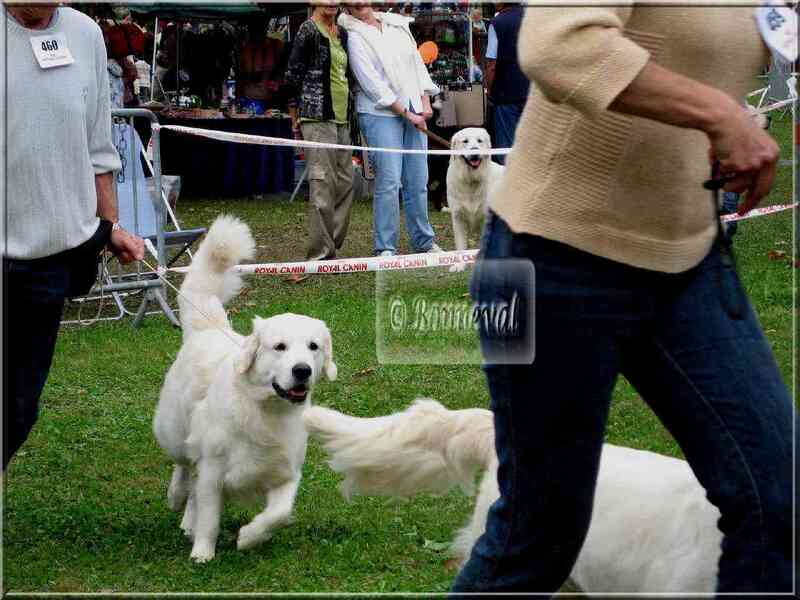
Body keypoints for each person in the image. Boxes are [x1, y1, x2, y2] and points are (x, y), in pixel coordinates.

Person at [453, 5, 793, 595]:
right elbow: (558, 44)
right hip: (548, 255)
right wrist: (715, 113)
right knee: (539, 534)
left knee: (779, 497)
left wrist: (731, 115)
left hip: (688, 257)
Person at [3, 4, 145, 469]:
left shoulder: (84, 32)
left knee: (18, 408)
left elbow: (98, 144)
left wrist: (112, 224)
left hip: (51, 255)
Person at [339, 3, 442, 257]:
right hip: (380, 112)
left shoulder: (398, 26)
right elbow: (371, 83)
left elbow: (416, 66)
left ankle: (424, 242)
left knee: (418, 180)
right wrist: (406, 113)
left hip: (415, 108)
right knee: (389, 182)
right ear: (346, 6)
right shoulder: (353, 35)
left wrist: (424, 104)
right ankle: (386, 247)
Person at [285, 1, 354, 276]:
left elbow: (345, 75)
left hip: (342, 118)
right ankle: (320, 255)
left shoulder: (343, 33)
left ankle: (331, 247)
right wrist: (295, 116)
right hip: (316, 116)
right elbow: (292, 76)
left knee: (346, 183)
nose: (331, 3)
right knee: (322, 185)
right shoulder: (308, 30)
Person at [484, 3, 529, 165]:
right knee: (530, 147)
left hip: (505, 95)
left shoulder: (497, 23)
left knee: (506, 151)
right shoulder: (532, 18)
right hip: (532, 94)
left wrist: (489, 90)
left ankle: (509, 187)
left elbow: (492, 64)